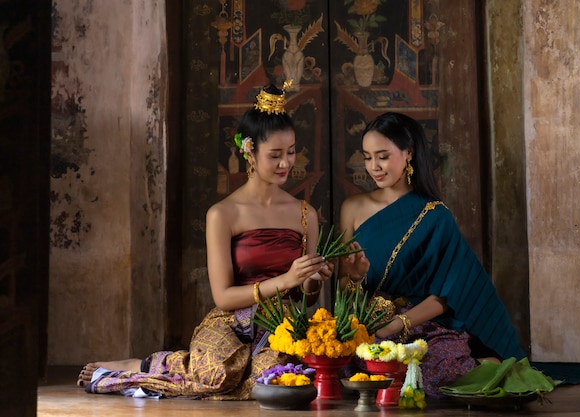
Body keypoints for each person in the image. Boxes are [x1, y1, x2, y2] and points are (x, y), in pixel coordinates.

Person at [76, 84, 333, 399]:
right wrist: (286, 279)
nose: (286, 163)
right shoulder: (223, 214)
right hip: (232, 318)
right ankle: (143, 365)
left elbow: (305, 298)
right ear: (249, 151)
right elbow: (223, 296)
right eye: (275, 155)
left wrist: (310, 281)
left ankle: (195, 367)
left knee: (272, 382)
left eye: (291, 152)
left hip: (280, 325)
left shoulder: (305, 213)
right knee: (216, 375)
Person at [338, 111, 527, 398]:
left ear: (408, 154)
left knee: (430, 376)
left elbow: (444, 295)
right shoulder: (351, 208)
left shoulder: (434, 215)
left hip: (418, 324)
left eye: (383, 156)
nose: (373, 166)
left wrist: (396, 325)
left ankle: (485, 361)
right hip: (368, 325)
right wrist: (353, 278)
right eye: (367, 157)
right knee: (343, 369)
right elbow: (344, 290)